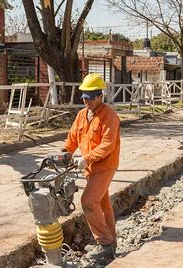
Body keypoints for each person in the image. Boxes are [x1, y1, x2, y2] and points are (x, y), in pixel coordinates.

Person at [62, 73, 121, 261]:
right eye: (84, 98)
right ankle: (111, 242)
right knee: (102, 205)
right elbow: (72, 138)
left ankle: (104, 242)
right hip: (90, 167)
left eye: (89, 98)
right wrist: (65, 152)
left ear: (100, 96)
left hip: (104, 166)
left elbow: (107, 144)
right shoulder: (81, 115)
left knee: (88, 201)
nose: (86, 101)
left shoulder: (109, 115)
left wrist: (87, 158)